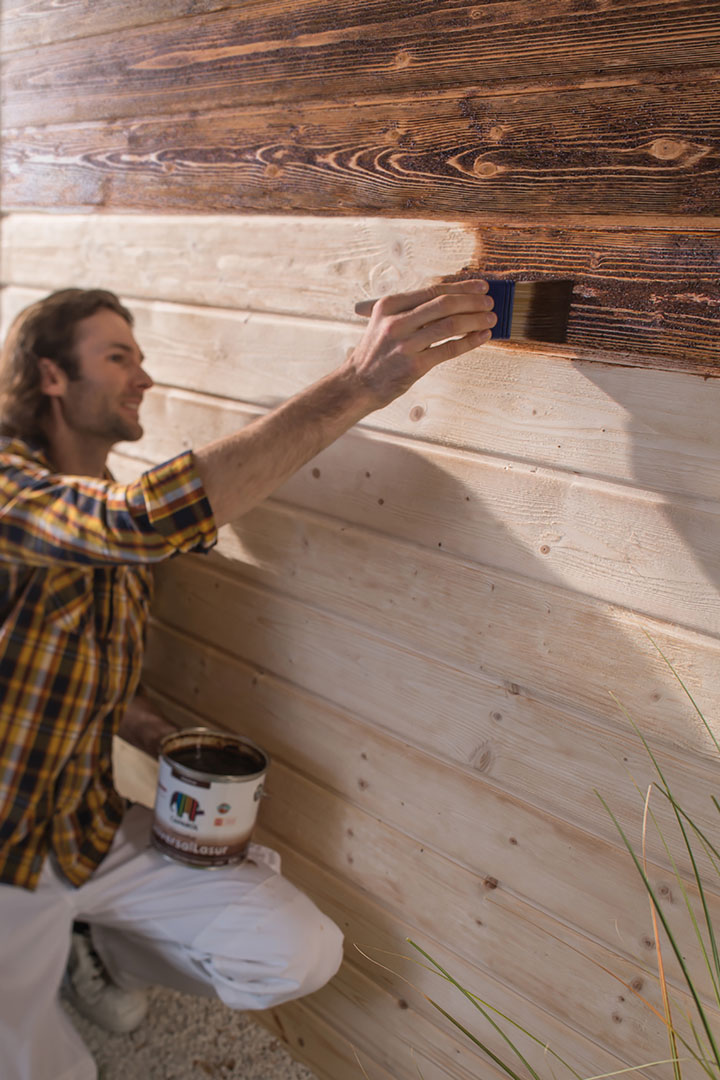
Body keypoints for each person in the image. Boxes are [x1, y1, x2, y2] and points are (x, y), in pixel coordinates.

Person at [0, 280, 497, 1080]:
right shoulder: (12, 489)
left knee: (293, 951)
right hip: (4, 851)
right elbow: (140, 521)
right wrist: (359, 383)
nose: (144, 377)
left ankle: (97, 951)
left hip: (84, 826)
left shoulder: (102, 521)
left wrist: (163, 738)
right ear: (51, 376)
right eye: (119, 356)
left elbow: (75, 667)